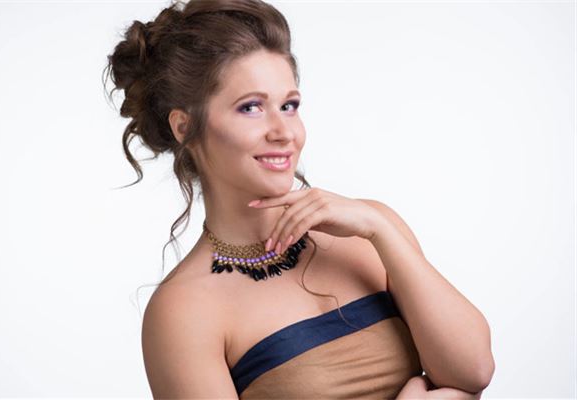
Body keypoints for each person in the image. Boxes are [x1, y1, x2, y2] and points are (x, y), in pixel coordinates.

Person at [103, 0, 495, 398]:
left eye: (289, 105)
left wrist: (380, 229)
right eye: (251, 107)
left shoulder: (370, 230)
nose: (284, 131)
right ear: (185, 127)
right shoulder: (183, 311)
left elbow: (474, 370)